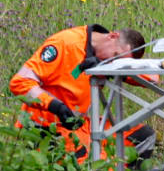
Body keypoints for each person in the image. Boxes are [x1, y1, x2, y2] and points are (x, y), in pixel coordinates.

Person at [10, 24, 152, 158]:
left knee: (143, 136)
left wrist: (117, 68)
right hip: (46, 128)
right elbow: (20, 82)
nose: (113, 62)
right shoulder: (66, 44)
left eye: (119, 61)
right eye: (115, 55)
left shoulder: (107, 61)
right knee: (90, 165)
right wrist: (55, 106)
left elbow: (153, 77)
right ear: (112, 36)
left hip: (80, 126)